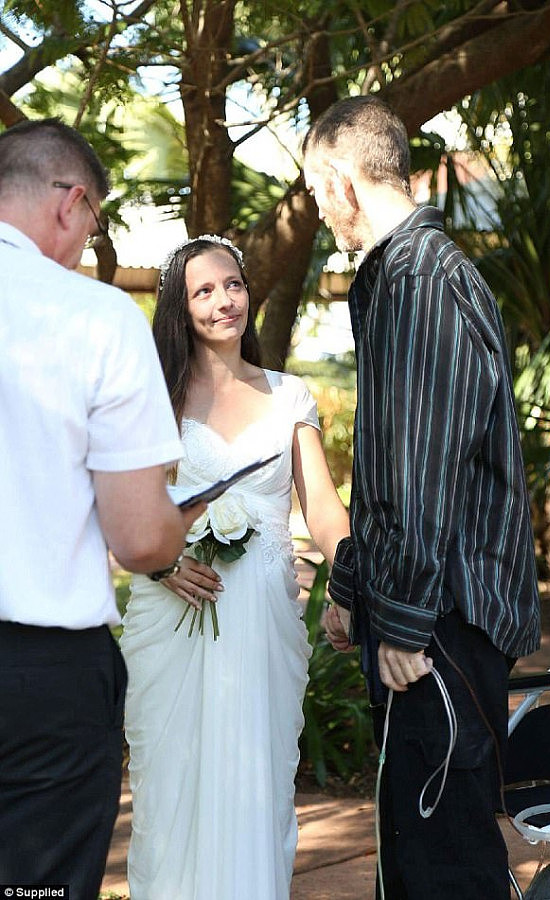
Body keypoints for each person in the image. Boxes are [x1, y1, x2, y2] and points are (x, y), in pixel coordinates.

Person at [303, 95, 541, 899]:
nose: (317, 211)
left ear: (340, 177)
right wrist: (349, 588)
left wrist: (400, 621)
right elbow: (386, 465)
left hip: (443, 622)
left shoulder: (424, 279)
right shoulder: (398, 276)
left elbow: (428, 466)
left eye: (313, 191)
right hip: (422, 614)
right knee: (413, 853)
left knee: (449, 867)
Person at [0, 118, 206, 900]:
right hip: (39, 680)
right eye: (95, 222)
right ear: (70, 202)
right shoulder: (95, 318)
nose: (89, 240)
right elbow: (140, 538)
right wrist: (179, 522)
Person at [120, 234, 350, 900]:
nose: (224, 301)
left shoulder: (290, 396)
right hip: (173, 619)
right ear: (179, 306)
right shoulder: (155, 398)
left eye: (233, 285)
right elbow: (121, 511)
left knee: (259, 788)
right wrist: (162, 565)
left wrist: (352, 581)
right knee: (172, 791)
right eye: (204, 290)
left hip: (263, 627)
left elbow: (327, 513)